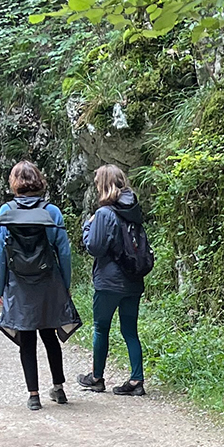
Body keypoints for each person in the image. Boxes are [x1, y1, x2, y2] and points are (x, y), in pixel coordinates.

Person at [0, 161, 79, 411]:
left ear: (15, 183)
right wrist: (65, 283)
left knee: (26, 336)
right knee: (50, 334)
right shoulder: (52, 211)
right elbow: (63, 251)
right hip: (48, 281)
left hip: (19, 284)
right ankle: (59, 389)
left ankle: (33, 395)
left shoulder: (5, 212)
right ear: (39, 181)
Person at [77, 164, 149, 396]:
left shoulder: (104, 214)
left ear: (103, 184)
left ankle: (96, 378)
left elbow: (95, 248)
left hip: (108, 283)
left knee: (101, 328)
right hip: (133, 280)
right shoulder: (134, 211)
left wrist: (88, 227)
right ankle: (137, 380)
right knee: (130, 331)